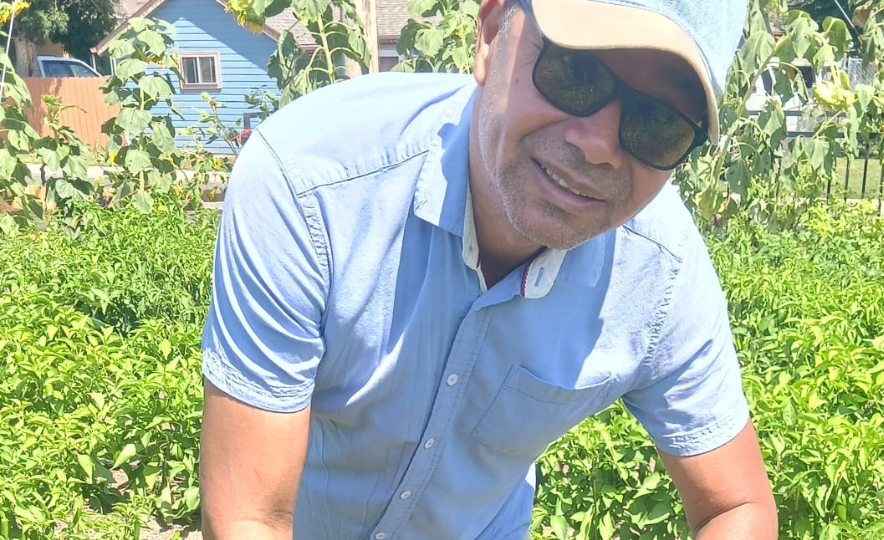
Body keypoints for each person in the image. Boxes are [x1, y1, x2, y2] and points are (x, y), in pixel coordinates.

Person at [198, 0, 779, 538]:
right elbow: (248, 516)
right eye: (574, 73)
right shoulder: (311, 184)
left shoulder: (661, 272)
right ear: (492, 32)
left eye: (658, 123)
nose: (599, 144)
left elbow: (737, 507)